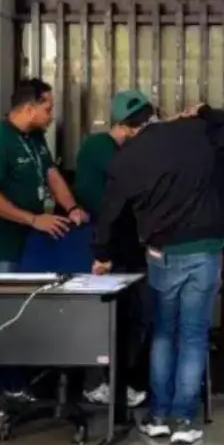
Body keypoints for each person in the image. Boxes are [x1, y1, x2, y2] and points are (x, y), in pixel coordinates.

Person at [93, 101, 224, 445]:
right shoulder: (195, 132)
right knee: (194, 336)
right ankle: (184, 421)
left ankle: (157, 417)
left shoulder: (126, 158)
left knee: (164, 334)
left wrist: (102, 256)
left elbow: (110, 213)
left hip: (162, 254)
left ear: (126, 127)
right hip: (204, 249)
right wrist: (204, 111)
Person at [0, 78, 88, 420]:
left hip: (32, 248)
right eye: (48, 108)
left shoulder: (35, 138)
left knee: (22, 319)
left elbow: (51, 174)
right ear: (28, 107)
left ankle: (16, 387)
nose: (52, 116)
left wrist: (72, 208)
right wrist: (33, 219)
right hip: (0, 246)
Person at [73, 90, 155, 409]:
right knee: (106, 317)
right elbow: (109, 203)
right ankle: (97, 382)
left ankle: (124, 381)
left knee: (136, 317)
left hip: (132, 246)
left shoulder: (130, 151)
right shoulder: (100, 149)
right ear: (123, 126)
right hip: (106, 247)